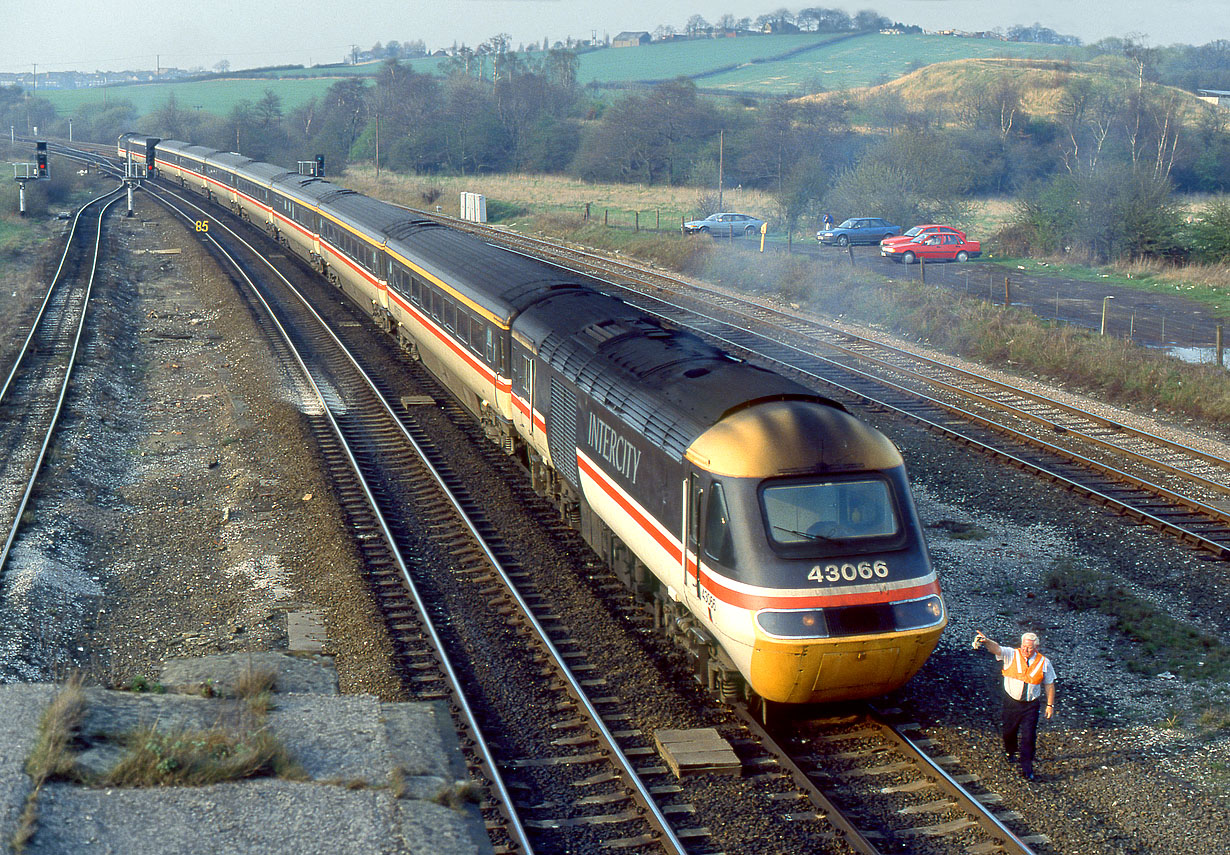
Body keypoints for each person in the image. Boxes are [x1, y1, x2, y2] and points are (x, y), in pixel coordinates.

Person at [972, 630, 1056, 781]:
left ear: (1036, 647)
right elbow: (996, 649)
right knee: (1009, 731)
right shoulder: (1012, 654)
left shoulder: (1044, 662)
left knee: (1028, 736)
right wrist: (986, 641)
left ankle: (1027, 768)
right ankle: (1010, 751)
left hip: (1031, 705)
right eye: (1024, 646)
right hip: (1012, 702)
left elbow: (1049, 684)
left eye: (1029, 648)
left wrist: (1050, 705)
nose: (1026, 650)